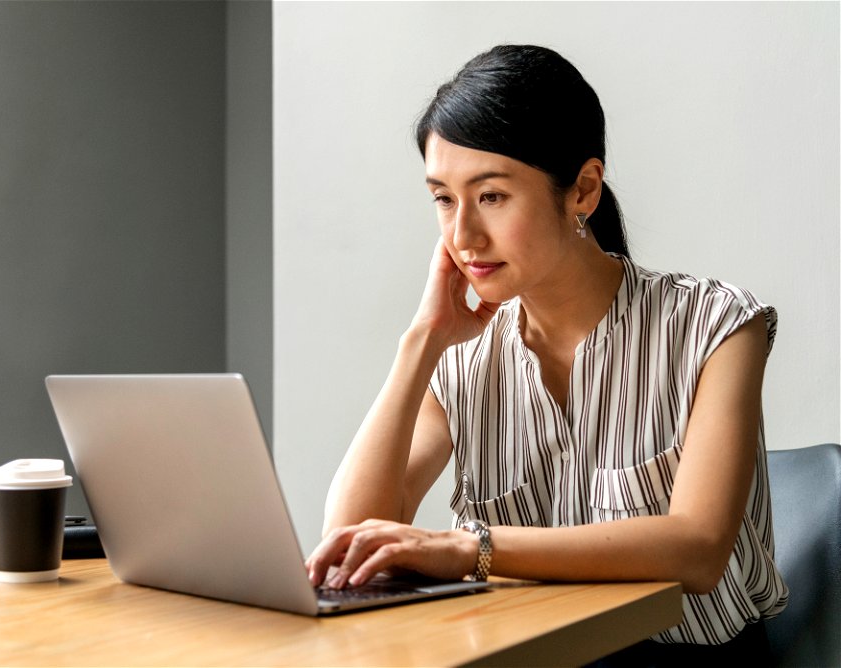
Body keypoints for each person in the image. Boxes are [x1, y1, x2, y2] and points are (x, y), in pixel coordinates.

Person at [303, 45, 788, 662]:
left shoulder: (714, 326)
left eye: (492, 197)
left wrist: (470, 549)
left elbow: (697, 549)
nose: (462, 237)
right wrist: (420, 342)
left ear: (582, 190)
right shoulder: (461, 361)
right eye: (444, 199)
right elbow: (351, 541)